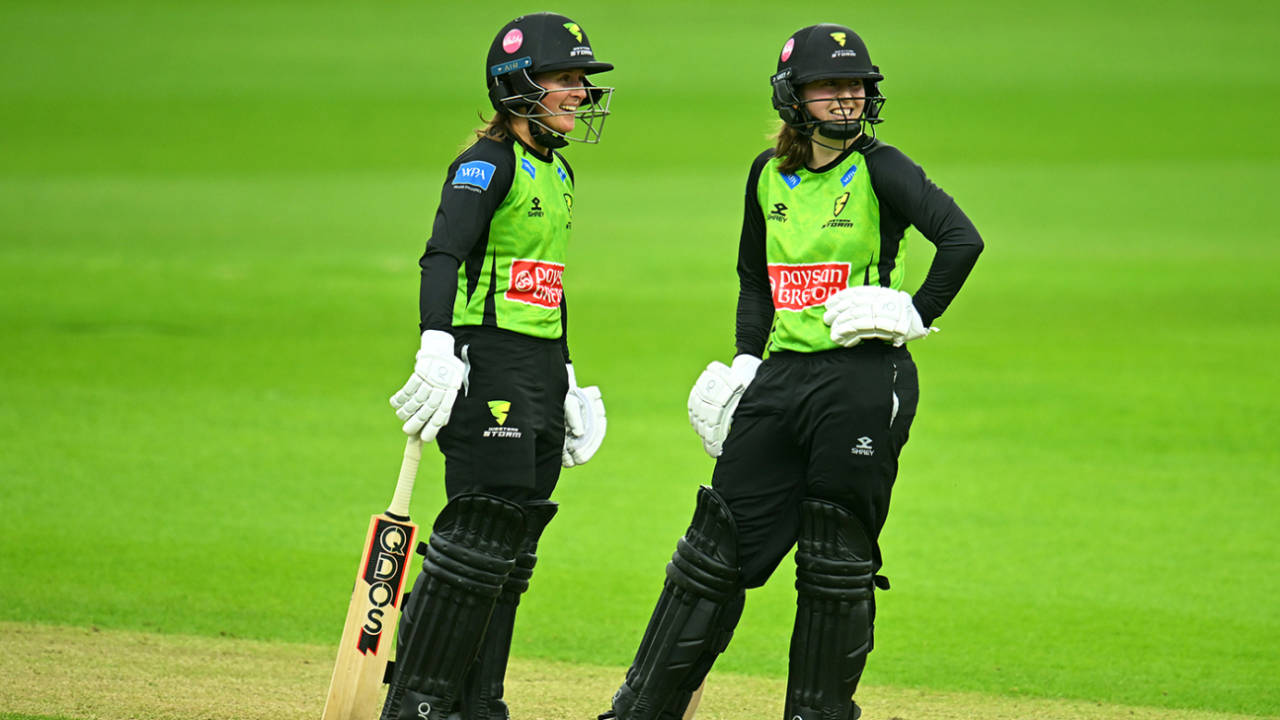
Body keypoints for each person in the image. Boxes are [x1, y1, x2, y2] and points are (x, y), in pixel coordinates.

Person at [600, 23, 983, 720]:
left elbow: (962, 239)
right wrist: (748, 361)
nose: (847, 97)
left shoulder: (882, 167)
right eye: (829, 86)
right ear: (792, 96)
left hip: (864, 382)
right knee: (713, 550)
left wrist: (915, 313)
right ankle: (639, 711)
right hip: (780, 380)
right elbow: (755, 277)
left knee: (834, 561)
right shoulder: (766, 173)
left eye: (857, 85)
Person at [379, 12, 613, 720]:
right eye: (565, 79)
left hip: (539, 369)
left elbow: (547, 278)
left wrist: (567, 376)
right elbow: (443, 254)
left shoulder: (560, 170)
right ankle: (418, 704)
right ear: (518, 83)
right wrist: (436, 343)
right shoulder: (488, 163)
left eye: (581, 81)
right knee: (476, 546)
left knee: (512, 553)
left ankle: (479, 704)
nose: (578, 93)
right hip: (488, 364)